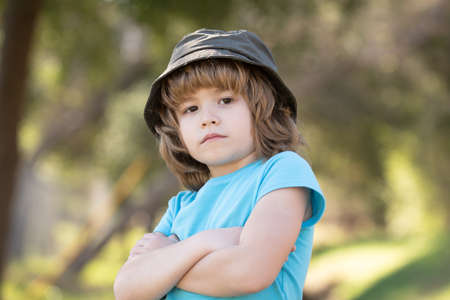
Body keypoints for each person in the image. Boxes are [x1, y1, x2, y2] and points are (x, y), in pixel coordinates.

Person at [114, 29, 326, 300]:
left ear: (263, 107)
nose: (208, 118)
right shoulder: (182, 206)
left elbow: (249, 271)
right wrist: (205, 242)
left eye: (225, 100)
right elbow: (128, 290)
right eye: (191, 109)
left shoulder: (282, 172)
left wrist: (164, 262)